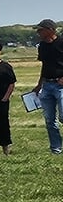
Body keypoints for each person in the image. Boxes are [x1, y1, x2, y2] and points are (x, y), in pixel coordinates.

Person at [38, 18, 63, 155]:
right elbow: (44, 65)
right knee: (49, 119)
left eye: (41, 30)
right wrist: (39, 84)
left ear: (50, 30)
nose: (38, 32)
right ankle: (56, 148)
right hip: (47, 85)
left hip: (61, 86)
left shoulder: (61, 42)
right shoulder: (42, 45)